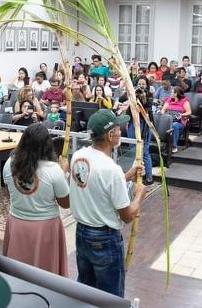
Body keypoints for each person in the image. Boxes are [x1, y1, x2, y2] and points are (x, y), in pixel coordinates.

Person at [69, 109, 145, 298]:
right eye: (119, 128)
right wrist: (139, 196)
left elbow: (97, 185)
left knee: (86, 291)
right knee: (110, 297)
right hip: (104, 239)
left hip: (82, 233)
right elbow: (127, 216)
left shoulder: (79, 156)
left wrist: (127, 175)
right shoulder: (111, 169)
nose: (122, 130)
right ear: (111, 135)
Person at [2, 124, 70, 276]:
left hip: (17, 223)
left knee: (17, 271)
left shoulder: (9, 164)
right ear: (47, 145)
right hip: (45, 227)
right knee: (45, 273)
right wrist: (64, 173)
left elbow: (9, 190)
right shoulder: (53, 170)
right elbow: (65, 203)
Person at [160, 87, 191, 153]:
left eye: (172, 92)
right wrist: (162, 113)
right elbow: (163, 109)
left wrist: (181, 115)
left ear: (176, 94)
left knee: (174, 125)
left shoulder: (184, 101)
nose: (170, 93)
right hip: (168, 120)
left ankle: (174, 146)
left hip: (179, 122)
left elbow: (189, 112)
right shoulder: (169, 100)